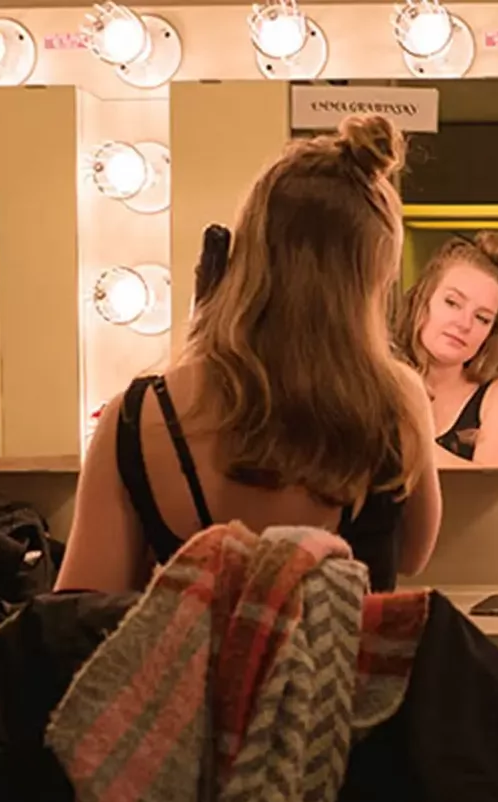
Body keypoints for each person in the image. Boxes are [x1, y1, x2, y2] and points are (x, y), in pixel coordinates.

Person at [56, 115, 443, 595]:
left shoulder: (140, 416)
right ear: (372, 281)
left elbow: (79, 604)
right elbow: (413, 554)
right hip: (349, 648)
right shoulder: (396, 401)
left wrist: (201, 332)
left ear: (245, 255)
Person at [394, 233, 498, 469]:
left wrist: (399, 442)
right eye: (452, 303)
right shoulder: (375, 380)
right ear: (421, 301)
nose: (465, 324)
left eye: (482, 318)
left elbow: (497, 486)